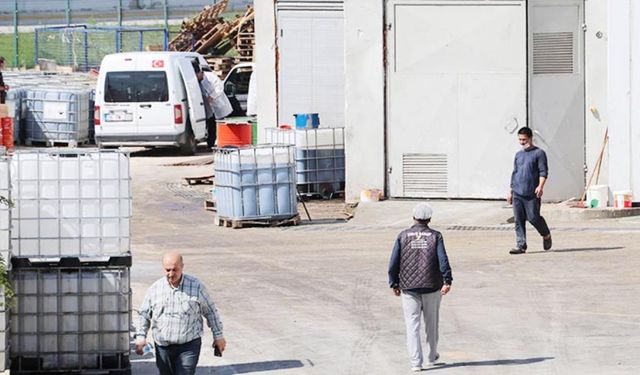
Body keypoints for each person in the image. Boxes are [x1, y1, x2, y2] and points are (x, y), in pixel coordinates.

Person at [135, 251, 226, 375]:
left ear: (182, 267)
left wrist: (218, 336)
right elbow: (144, 314)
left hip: (189, 346)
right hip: (163, 347)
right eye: (167, 270)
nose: (171, 274)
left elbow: (210, 311)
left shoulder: (196, 286)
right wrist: (141, 338)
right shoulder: (155, 289)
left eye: (175, 270)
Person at [388, 203, 453, 372]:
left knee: (412, 326)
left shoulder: (402, 236)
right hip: (432, 286)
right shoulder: (436, 236)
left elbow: (393, 262)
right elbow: (443, 260)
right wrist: (447, 280)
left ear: (413, 217)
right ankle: (431, 356)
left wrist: (394, 283)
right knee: (432, 324)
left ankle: (416, 363)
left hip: (409, 289)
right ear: (429, 219)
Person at [507, 127, 552, 254]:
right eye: (520, 140)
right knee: (518, 219)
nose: (522, 142)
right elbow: (514, 173)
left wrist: (540, 186)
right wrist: (510, 191)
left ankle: (546, 234)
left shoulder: (539, 153)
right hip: (517, 192)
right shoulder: (518, 155)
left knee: (533, 217)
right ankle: (521, 245)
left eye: (524, 139)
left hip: (531, 193)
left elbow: (543, 171)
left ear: (531, 138)